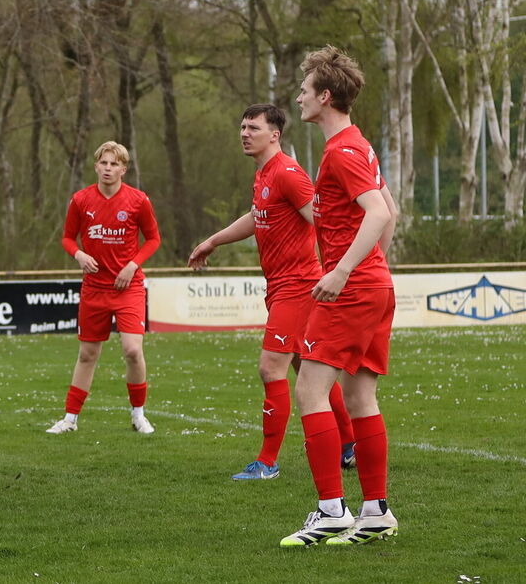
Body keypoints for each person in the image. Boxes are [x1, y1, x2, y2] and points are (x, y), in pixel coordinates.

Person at [188, 104, 356, 481]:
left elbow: (322, 221)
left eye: (253, 127)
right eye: (242, 126)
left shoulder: (288, 173)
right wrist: (213, 241)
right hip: (280, 286)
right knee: (307, 370)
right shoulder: (264, 174)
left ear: (275, 135)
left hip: (298, 286)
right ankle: (349, 444)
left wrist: (340, 269)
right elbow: (255, 216)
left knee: (270, 367)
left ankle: (267, 462)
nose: (244, 133)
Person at [280, 46, 399, 547]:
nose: (300, 97)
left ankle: (331, 510)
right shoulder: (360, 145)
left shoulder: (341, 151)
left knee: (309, 390)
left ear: (325, 96)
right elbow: (390, 212)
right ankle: (375, 513)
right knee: (359, 395)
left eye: (305, 90)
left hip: (352, 289)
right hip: (375, 284)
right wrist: (373, 268)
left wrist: (345, 270)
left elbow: (376, 212)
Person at [45, 141, 161, 436]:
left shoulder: (138, 200)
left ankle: (138, 415)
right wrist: (79, 254)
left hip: (128, 288)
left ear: (123, 169)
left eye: (114, 164)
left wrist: (133, 265)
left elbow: (153, 240)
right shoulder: (81, 200)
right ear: (96, 166)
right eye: (103, 163)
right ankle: (70, 419)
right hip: (94, 289)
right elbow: (68, 238)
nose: (108, 168)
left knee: (133, 350)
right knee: (87, 354)